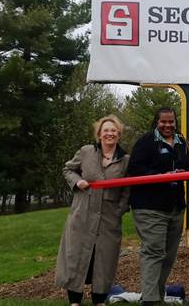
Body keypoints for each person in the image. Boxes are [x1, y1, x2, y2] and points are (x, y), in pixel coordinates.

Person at [55, 114, 130, 306]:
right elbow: (67, 169)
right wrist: (77, 181)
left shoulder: (125, 160)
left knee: (104, 259)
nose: (109, 134)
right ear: (99, 134)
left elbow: (127, 190)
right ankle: (74, 301)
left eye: (113, 130)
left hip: (108, 217)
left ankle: (99, 300)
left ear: (119, 134)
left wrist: (119, 210)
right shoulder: (86, 152)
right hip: (83, 213)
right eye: (106, 130)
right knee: (77, 255)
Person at [127, 107, 189, 306]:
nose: (167, 125)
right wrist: (160, 177)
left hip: (175, 207)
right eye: (163, 122)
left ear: (176, 122)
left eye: (171, 122)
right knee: (154, 251)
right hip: (150, 207)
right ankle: (150, 300)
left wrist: (187, 173)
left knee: (168, 255)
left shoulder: (182, 142)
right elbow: (135, 169)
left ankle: (156, 295)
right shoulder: (146, 142)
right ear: (156, 122)